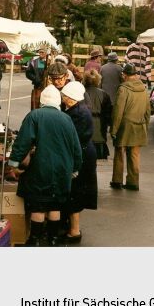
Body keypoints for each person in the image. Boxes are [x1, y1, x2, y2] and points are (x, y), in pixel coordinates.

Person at [8, 85, 82, 246]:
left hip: (40, 168)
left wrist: (14, 163)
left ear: (42, 101)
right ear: (57, 102)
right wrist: (75, 168)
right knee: (54, 205)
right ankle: (53, 239)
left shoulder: (34, 116)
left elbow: (22, 142)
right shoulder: (66, 118)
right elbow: (76, 147)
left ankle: (35, 240)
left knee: (38, 206)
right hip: (62, 169)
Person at [60, 82, 98, 244]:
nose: (63, 98)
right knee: (76, 191)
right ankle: (72, 227)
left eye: (65, 96)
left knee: (75, 191)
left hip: (81, 155)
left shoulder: (78, 113)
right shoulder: (79, 109)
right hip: (84, 152)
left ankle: (74, 231)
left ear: (71, 98)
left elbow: (73, 139)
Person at [110, 63, 151, 191]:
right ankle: (133, 182)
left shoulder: (123, 89)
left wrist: (113, 129)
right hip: (139, 124)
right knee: (134, 154)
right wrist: (146, 126)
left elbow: (118, 111)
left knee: (119, 153)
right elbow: (147, 111)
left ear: (125, 75)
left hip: (125, 125)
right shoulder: (144, 89)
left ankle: (117, 180)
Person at [83, 69, 112, 160]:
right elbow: (108, 113)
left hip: (85, 125)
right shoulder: (104, 94)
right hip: (100, 127)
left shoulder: (81, 93)